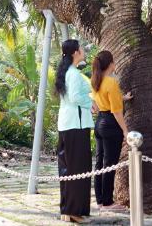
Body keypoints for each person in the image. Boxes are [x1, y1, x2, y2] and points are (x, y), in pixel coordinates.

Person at [55, 39, 94, 224]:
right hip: (75, 128)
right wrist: (91, 104)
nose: (83, 50)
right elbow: (76, 97)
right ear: (75, 53)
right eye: (81, 48)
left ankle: (69, 210)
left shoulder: (69, 72)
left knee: (68, 170)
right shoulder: (73, 74)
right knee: (77, 170)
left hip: (68, 125)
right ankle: (73, 211)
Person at [90, 50, 133, 210]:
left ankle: (100, 200)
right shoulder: (112, 82)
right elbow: (116, 111)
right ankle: (108, 202)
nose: (115, 64)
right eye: (114, 61)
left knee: (100, 162)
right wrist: (125, 130)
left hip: (100, 122)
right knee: (110, 163)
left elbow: (104, 99)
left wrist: (123, 98)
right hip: (110, 124)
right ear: (110, 64)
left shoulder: (96, 80)